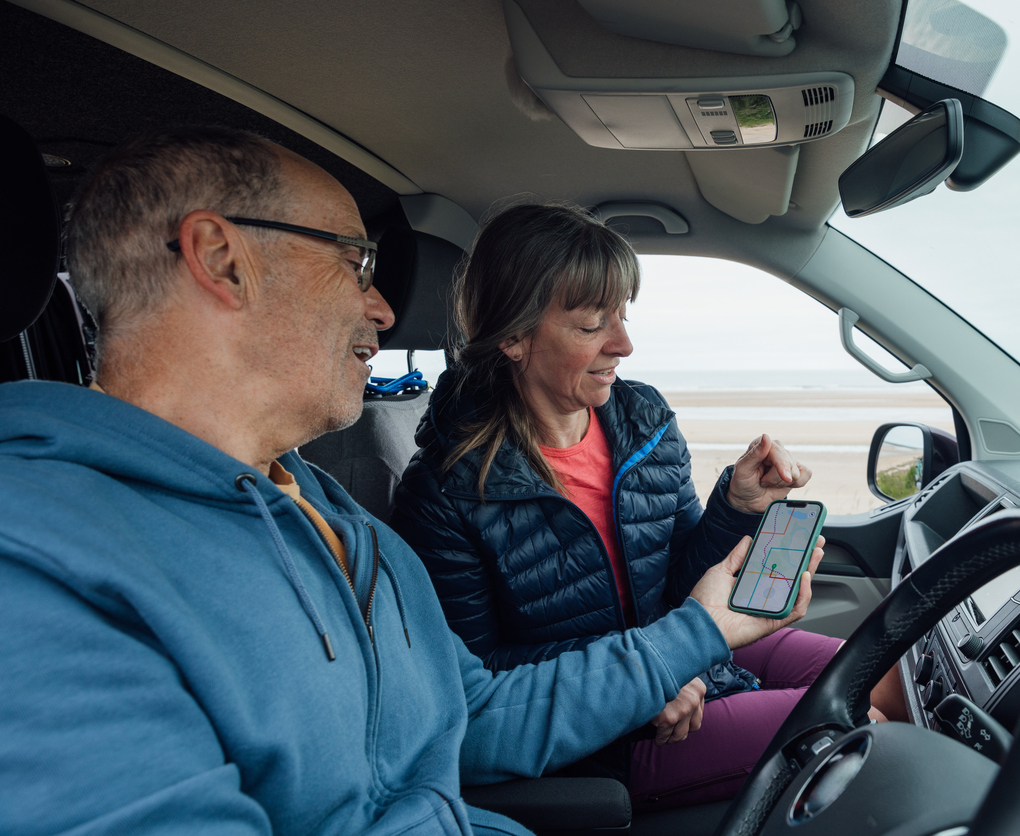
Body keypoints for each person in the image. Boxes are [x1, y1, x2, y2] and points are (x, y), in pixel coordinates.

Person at [0, 127, 825, 836]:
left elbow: (474, 719)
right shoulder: (42, 563)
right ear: (223, 259)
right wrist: (683, 644)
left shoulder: (333, 517)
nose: (384, 310)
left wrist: (695, 628)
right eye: (354, 262)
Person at [390, 204, 902, 811]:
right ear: (514, 337)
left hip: (685, 649)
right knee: (862, 726)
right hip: (607, 726)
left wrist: (737, 507)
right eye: (591, 325)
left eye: (623, 316)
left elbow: (680, 585)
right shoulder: (444, 492)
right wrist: (640, 676)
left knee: (883, 672)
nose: (624, 344)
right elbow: (478, 679)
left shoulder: (644, 423)